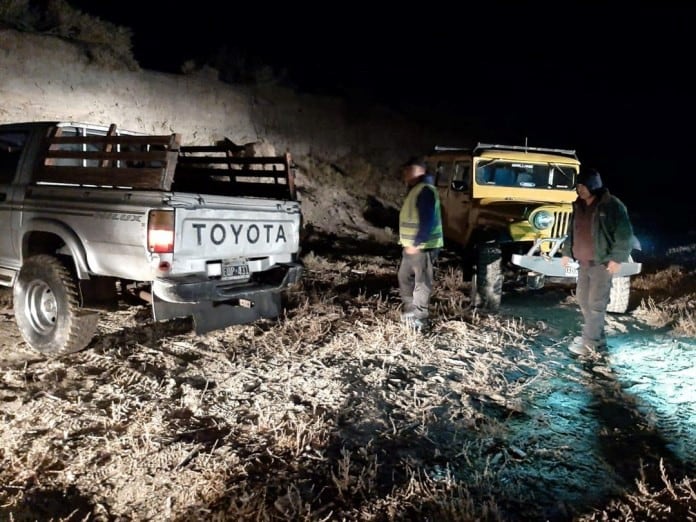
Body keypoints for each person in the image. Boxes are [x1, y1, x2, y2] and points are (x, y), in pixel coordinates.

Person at [561, 167, 635, 356]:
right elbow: (572, 231)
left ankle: (590, 344)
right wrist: (566, 252)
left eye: (583, 186)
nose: (580, 189)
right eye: (578, 186)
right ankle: (598, 341)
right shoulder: (578, 205)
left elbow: (624, 235)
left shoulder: (612, 205)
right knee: (584, 301)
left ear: (594, 185)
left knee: (596, 304)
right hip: (583, 264)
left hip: (602, 264)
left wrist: (617, 258)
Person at [397, 156, 444, 330]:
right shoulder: (416, 189)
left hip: (423, 247)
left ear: (415, 170)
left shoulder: (424, 190)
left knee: (421, 283)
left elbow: (427, 219)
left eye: (406, 170)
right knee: (404, 277)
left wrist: (417, 242)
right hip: (412, 247)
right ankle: (411, 312)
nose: (404, 174)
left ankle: (420, 319)